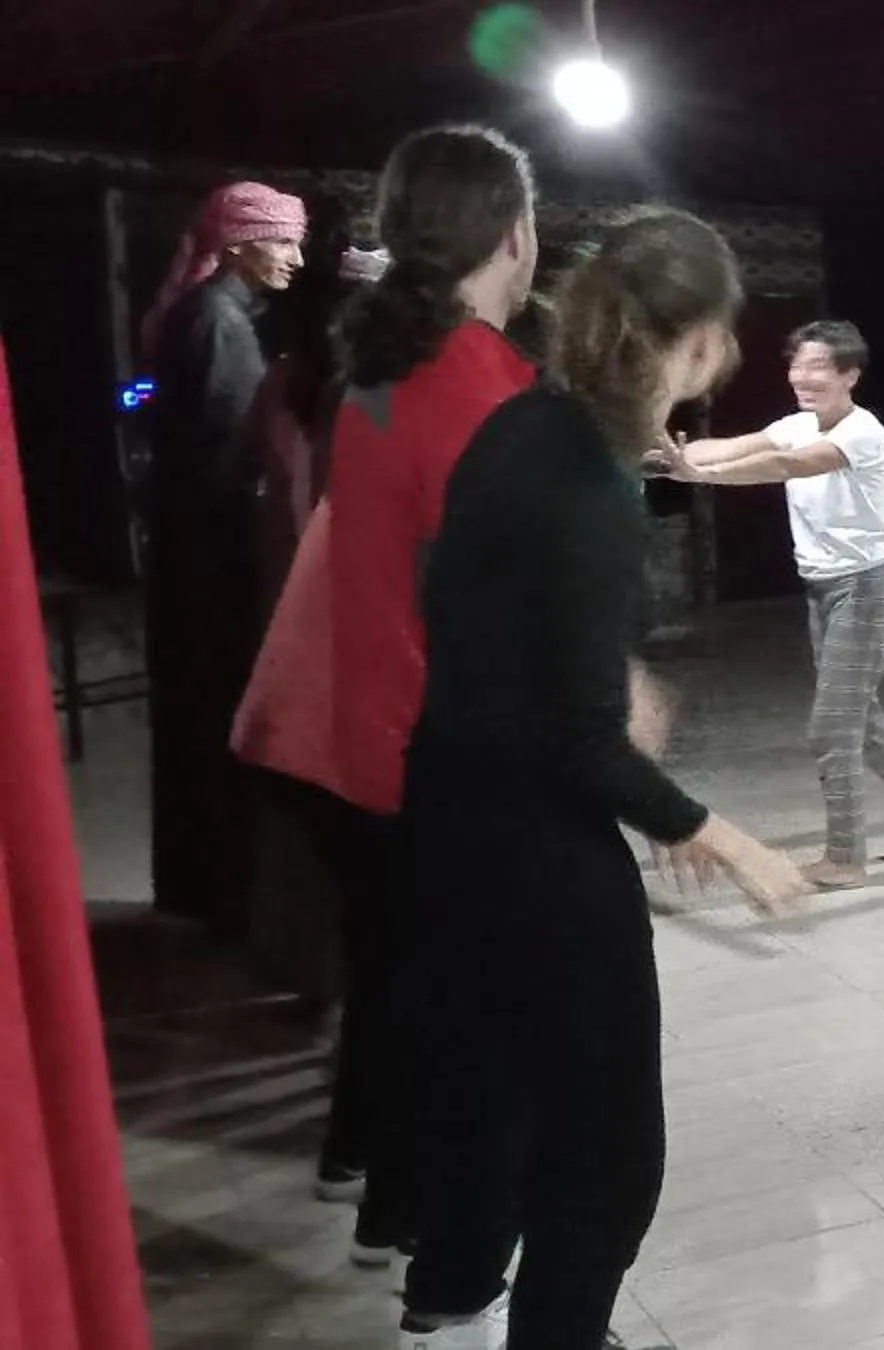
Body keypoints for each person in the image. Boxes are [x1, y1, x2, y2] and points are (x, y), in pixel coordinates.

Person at [391, 207, 807, 1350]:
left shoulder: (523, 425)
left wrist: (605, 682)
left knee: (494, 1095)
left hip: (447, 817)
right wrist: (719, 834)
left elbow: (480, 621)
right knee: (610, 1155)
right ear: (704, 342)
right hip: (537, 849)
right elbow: (580, 743)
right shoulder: (589, 482)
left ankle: (447, 1315)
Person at [230, 124, 542, 1274]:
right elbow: (492, 611)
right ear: (515, 235)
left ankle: (372, 1179)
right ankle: (422, 1240)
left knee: (398, 971)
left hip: (347, 726)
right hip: (424, 747)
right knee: (460, 1009)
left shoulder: (381, 367)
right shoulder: (478, 385)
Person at [670, 320, 884, 889]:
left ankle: (845, 859)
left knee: (831, 728)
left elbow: (790, 465)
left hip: (869, 592)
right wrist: (665, 454)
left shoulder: (862, 431)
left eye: (819, 366)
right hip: (825, 592)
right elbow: (734, 445)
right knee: (859, 718)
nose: (803, 376)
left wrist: (698, 475)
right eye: (798, 365)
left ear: (850, 375)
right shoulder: (796, 424)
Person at [139, 180, 306, 932]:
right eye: (282, 241)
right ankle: (227, 892)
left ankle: (201, 887)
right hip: (216, 558)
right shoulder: (218, 322)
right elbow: (234, 454)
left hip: (191, 550)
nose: (295, 257)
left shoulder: (207, 312)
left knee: (198, 711)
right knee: (222, 711)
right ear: (238, 244)